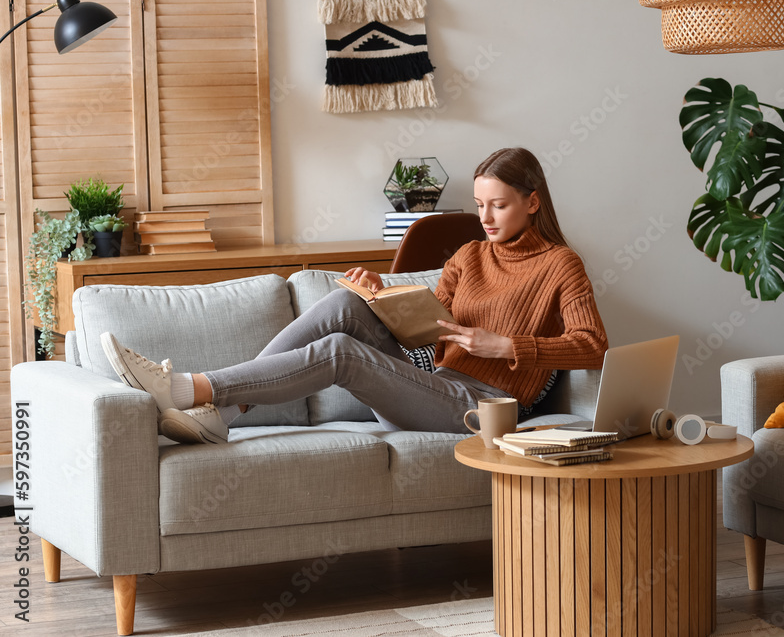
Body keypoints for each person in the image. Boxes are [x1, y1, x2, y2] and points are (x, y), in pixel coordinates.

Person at [101, 147, 609, 444]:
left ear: (533, 201)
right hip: (434, 386)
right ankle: (226, 415)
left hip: (482, 407)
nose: (486, 218)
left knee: (341, 354)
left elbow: (593, 345)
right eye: (479, 205)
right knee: (346, 306)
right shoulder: (469, 256)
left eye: (499, 205)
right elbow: (429, 343)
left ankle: (190, 390)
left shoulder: (561, 264)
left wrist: (507, 347)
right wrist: (383, 300)